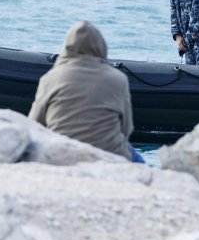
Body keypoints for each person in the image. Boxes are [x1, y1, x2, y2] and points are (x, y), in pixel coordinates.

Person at [28, 21, 144, 163]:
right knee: (136, 157)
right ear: (101, 46)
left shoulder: (50, 78)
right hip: (109, 153)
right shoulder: (119, 79)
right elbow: (126, 128)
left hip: (62, 153)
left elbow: (34, 125)